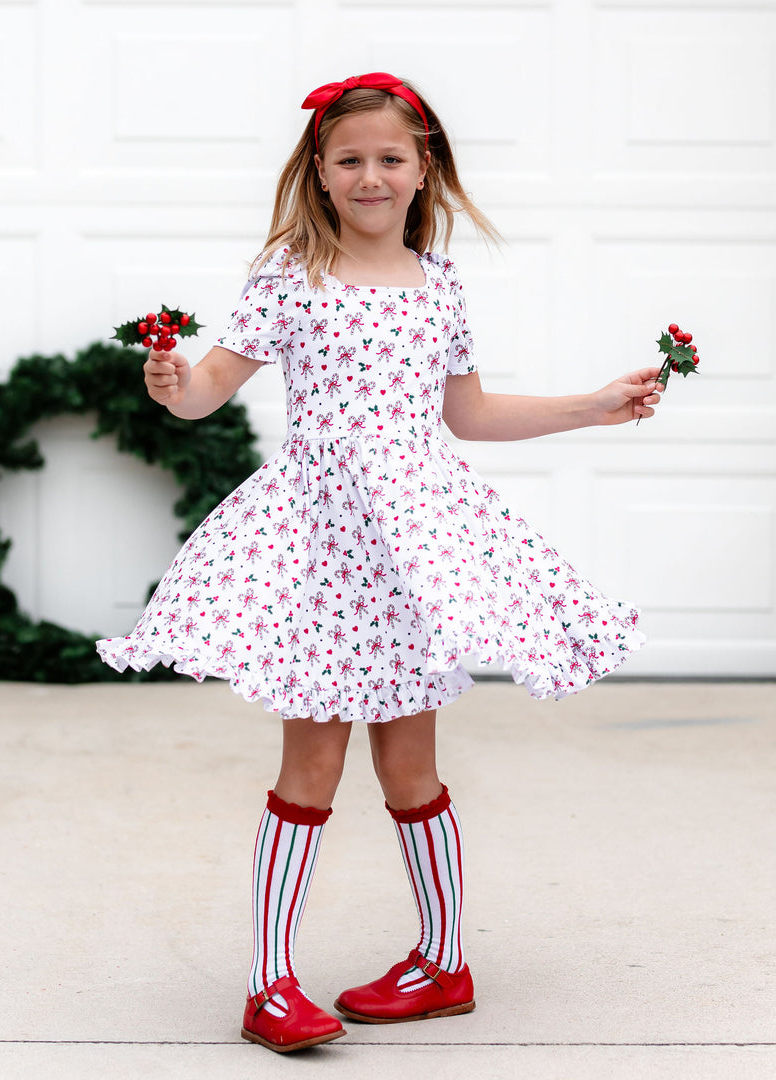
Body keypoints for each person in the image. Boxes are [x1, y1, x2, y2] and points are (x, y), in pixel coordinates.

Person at [97, 72, 660, 1054]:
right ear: (319, 170)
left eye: (388, 158)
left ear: (421, 166)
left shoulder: (439, 283)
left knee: (411, 763)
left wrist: (590, 405)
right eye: (349, 158)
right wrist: (171, 379)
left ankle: (444, 962)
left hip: (414, 546)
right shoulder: (288, 274)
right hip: (320, 544)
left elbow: (469, 415)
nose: (370, 175)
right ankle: (269, 983)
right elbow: (207, 392)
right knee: (311, 759)